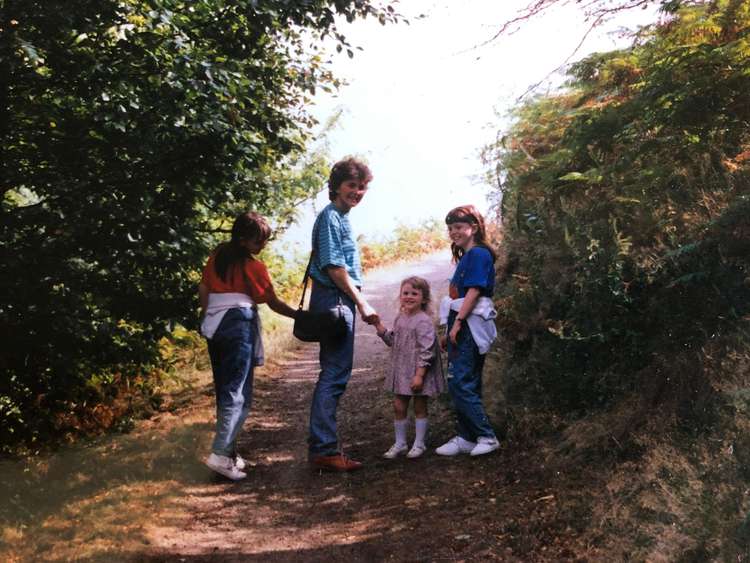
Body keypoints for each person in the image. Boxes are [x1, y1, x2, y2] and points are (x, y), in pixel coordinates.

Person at [199, 211, 298, 480]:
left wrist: (208, 318)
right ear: (243, 240)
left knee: (225, 391)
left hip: (215, 324)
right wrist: (299, 316)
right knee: (239, 392)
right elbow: (272, 302)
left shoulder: (218, 257)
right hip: (238, 323)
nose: (262, 246)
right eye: (258, 241)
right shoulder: (253, 267)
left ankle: (229, 452)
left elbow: (204, 289)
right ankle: (220, 455)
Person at [307, 157, 379, 472]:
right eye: (352, 185)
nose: (358, 192)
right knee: (334, 373)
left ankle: (324, 447)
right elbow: (334, 267)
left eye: (362, 187)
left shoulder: (340, 217)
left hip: (336, 300)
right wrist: (362, 302)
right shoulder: (330, 218)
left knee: (335, 372)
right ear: (336, 186)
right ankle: (324, 449)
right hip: (334, 299)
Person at [436, 205, 500, 457]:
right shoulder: (467, 256)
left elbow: (473, 291)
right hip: (461, 321)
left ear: (473, 228)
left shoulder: (479, 255)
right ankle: (466, 437)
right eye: (450, 228)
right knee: (465, 381)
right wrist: (449, 327)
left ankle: (486, 435)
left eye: (459, 227)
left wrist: (459, 322)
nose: (454, 232)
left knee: (460, 381)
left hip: (470, 323)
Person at [374, 276, 445, 459]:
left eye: (414, 293)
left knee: (420, 406)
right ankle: (400, 442)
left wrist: (420, 375)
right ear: (400, 296)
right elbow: (393, 341)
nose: (409, 297)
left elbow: (427, 350)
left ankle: (419, 443)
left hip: (419, 371)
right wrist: (378, 326)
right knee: (399, 406)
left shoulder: (423, 321)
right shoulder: (400, 318)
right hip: (402, 370)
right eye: (405, 293)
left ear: (424, 298)